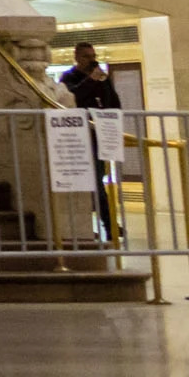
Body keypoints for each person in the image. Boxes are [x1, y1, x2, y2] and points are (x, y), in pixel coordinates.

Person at [63, 44, 124, 240]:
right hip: (76, 137)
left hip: (97, 135)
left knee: (98, 181)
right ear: (77, 57)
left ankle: (109, 224)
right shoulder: (68, 78)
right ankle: (97, 225)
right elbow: (72, 98)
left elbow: (113, 102)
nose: (91, 60)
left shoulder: (101, 78)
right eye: (87, 56)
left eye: (93, 56)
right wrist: (90, 80)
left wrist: (103, 84)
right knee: (87, 183)